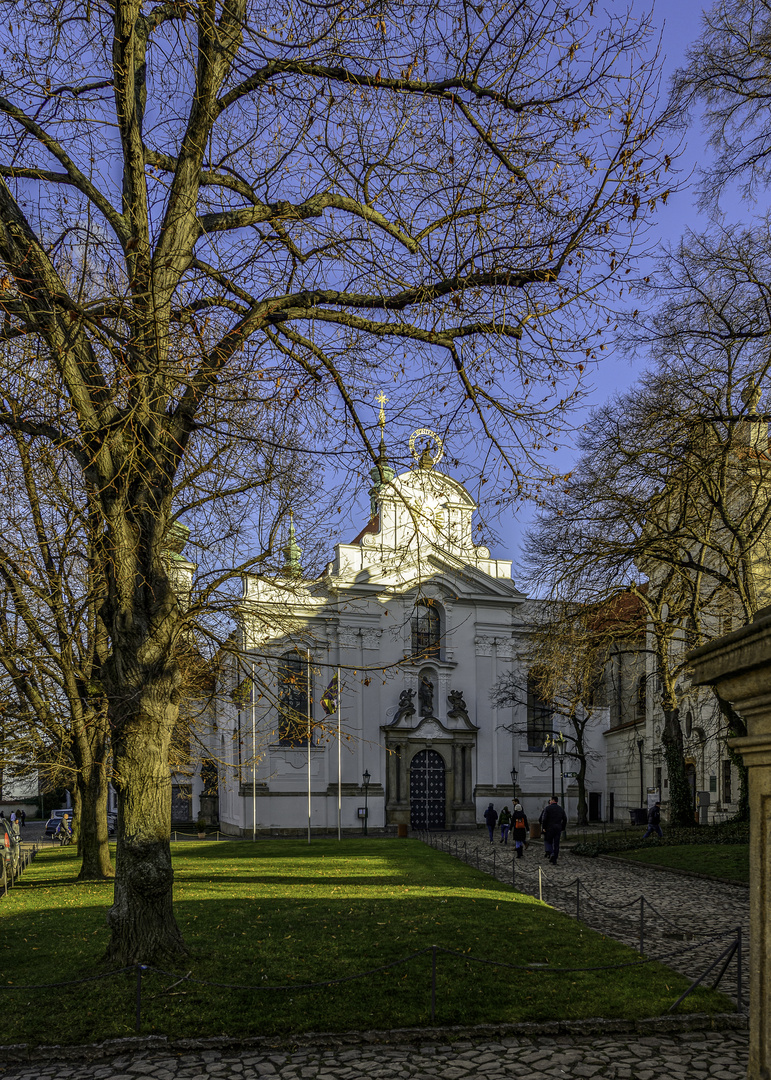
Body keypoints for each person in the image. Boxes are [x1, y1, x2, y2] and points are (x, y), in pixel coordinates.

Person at [540, 796, 567, 865]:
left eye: (550, 800)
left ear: (552, 800)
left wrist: (544, 828)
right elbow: (565, 819)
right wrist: (563, 827)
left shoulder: (547, 808)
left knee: (548, 841)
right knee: (556, 844)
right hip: (558, 827)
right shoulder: (560, 809)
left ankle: (551, 853)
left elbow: (544, 819)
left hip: (550, 827)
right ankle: (555, 859)